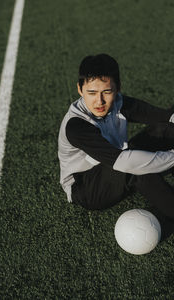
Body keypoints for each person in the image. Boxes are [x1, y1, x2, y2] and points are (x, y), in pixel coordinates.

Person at [58, 53, 174, 236]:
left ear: (117, 89)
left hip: (117, 159)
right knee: (134, 169)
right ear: (80, 89)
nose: (99, 101)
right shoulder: (76, 126)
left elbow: (163, 117)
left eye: (107, 92)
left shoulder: (118, 102)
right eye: (91, 93)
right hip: (86, 187)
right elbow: (124, 162)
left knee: (165, 129)